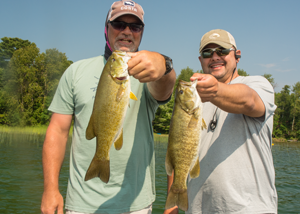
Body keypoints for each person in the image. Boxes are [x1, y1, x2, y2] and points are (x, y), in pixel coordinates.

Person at [40, 1, 176, 214]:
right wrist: (50, 189)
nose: (127, 31)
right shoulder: (75, 72)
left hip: (136, 205)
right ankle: (100, 161)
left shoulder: (150, 74)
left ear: (141, 32)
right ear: (106, 28)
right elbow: (57, 131)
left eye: (135, 26)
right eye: (119, 24)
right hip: (81, 204)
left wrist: (165, 66)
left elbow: (165, 88)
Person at [164, 29, 277, 214]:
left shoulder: (257, 84)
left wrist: (215, 90)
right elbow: (179, 148)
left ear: (237, 56)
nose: (215, 57)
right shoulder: (194, 102)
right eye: (207, 53)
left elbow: (249, 101)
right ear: (201, 61)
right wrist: (172, 206)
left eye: (222, 51)